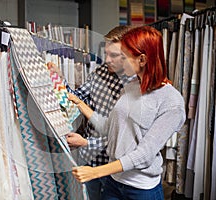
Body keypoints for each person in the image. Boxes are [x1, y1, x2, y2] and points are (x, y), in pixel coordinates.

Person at [70, 26, 186, 200]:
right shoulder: (131, 87)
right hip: (114, 183)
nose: (119, 62)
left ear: (142, 59)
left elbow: (144, 155)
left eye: (124, 57)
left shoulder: (171, 101)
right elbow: (109, 128)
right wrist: (79, 103)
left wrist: (95, 172)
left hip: (141, 189)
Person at [47, 25, 132, 200]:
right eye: (106, 53)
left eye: (113, 55)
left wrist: (86, 142)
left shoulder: (135, 86)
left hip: (114, 169)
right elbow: (77, 97)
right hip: (88, 161)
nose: (107, 60)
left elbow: (124, 135)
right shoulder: (101, 72)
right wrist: (60, 79)